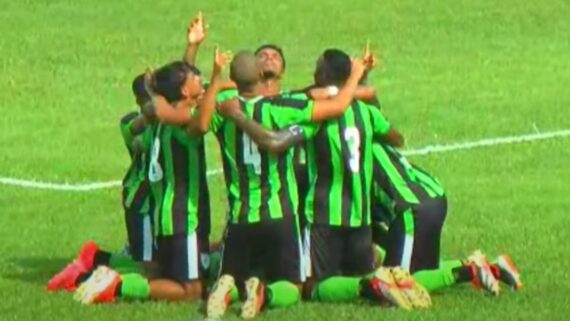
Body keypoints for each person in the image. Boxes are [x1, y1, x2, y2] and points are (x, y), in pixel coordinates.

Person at [73, 48, 230, 304]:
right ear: (184, 91)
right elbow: (202, 123)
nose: (200, 85)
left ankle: (102, 273)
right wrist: (216, 76)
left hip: (164, 215)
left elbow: (181, 86)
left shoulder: (160, 119)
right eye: (196, 81)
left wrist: (192, 51)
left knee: (167, 273)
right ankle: (117, 284)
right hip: (184, 216)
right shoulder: (184, 122)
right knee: (191, 291)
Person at [370, 142, 523, 295]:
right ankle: (493, 269)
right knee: (423, 271)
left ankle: (470, 271)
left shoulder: (352, 156)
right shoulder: (366, 137)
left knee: (397, 283)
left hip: (413, 209)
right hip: (432, 198)